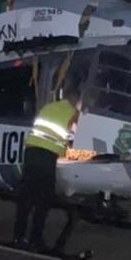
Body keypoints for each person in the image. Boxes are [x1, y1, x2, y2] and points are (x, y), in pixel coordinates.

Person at [13, 90, 81, 250]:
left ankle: (18, 236)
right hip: (46, 157)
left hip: (30, 153)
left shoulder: (49, 107)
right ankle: (35, 239)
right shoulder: (74, 113)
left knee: (26, 198)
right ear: (76, 100)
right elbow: (78, 134)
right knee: (44, 199)